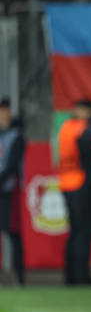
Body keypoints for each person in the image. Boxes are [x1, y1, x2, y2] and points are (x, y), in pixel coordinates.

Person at [58, 99, 91, 285]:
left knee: (76, 231)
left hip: (69, 183)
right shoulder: (80, 128)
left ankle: (72, 276)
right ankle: (80, 277)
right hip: (81, 184)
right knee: (83, 231)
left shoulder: (66, 127)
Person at [0, 97, 25, 285]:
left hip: (9, 190)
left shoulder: (16, 135)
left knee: (13, 232)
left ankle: (20, 276)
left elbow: (12, 164)